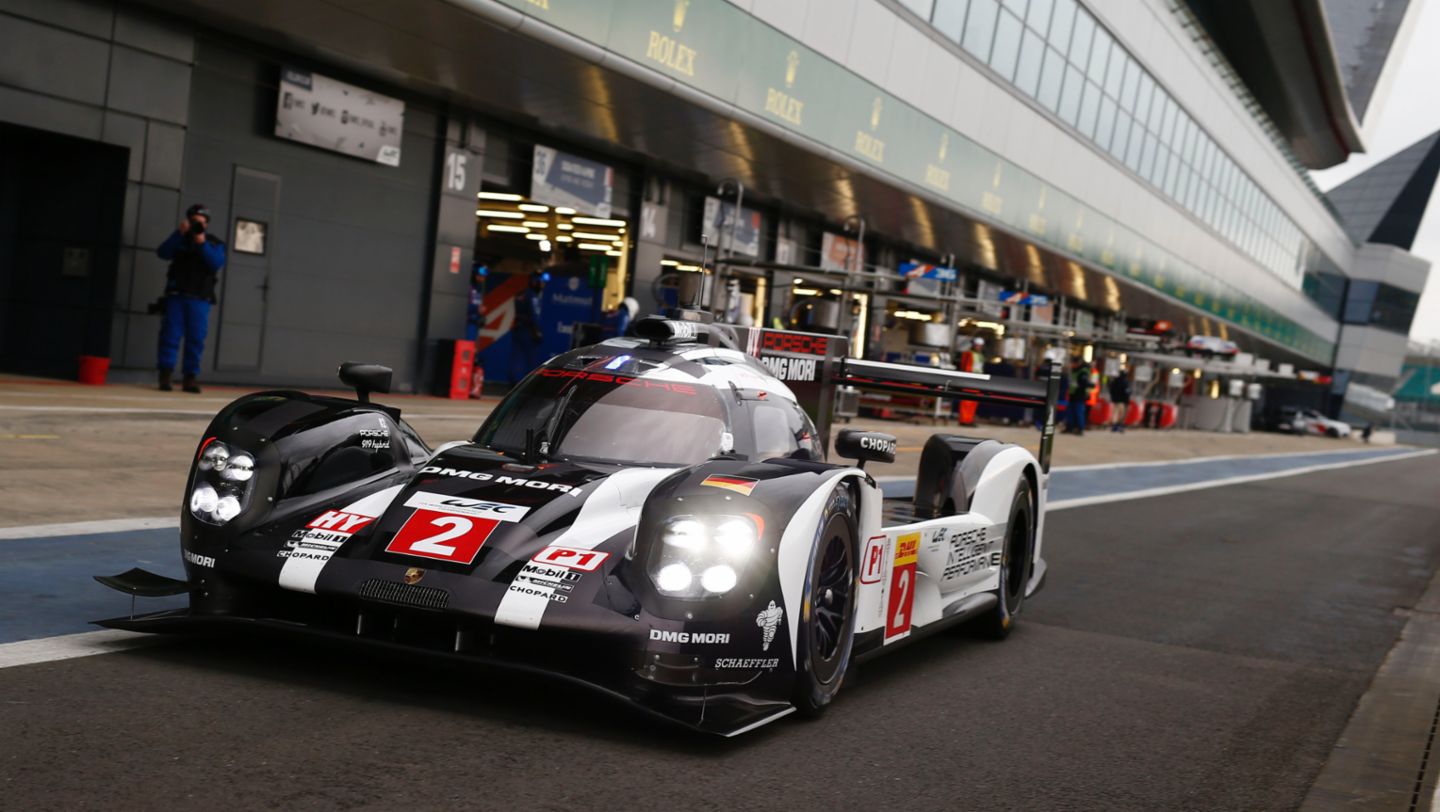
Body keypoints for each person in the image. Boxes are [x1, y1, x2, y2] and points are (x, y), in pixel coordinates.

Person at [156, 204, 226, 393]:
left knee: (196, 340)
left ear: (207, 224)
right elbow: (162, 253)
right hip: (176, 297)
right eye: (194, 221)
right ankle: (165, 377)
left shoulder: (213, 243)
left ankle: (190, 379)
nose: (197, 225)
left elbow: (216, 263)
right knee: (170, 336)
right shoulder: (179, 239)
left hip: (199, 299)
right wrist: (179, 233)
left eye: (201, 222)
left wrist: (201, 241)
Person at [509, 272, 545, 383]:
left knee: (516, 359)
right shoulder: (533, 296)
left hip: (518, 329)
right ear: (535, 282)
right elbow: (535, 315)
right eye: (541, 282)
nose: (542, 285)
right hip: (529, 332)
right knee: (531, 360)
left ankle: (514, 383)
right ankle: (529, 384)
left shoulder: (520, 294)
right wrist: (538, 331)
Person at [1065, 358, 1090, 435]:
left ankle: (1080, 429)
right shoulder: (1075, 370)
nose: (1072, 365)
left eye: (1073, 363)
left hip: (1080, 395)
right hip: (1073, 394)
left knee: (1079, 412)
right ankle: (1070, 427)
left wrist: (1079, 387)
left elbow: (1084, 384)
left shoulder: (1083, 372)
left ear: (1078, 363)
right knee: (1070, 412)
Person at [1108, 368, 1132, 433]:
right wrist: (1127, 400)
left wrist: (1113, 398)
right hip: (1122, 401)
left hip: (1115, 400)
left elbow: (1111, 390)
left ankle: (1114, 426)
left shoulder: (1115, 381)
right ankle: (1119, 425)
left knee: (1115, 413)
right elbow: (1127, 392)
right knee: (1122, 413)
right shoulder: (1125, 382)